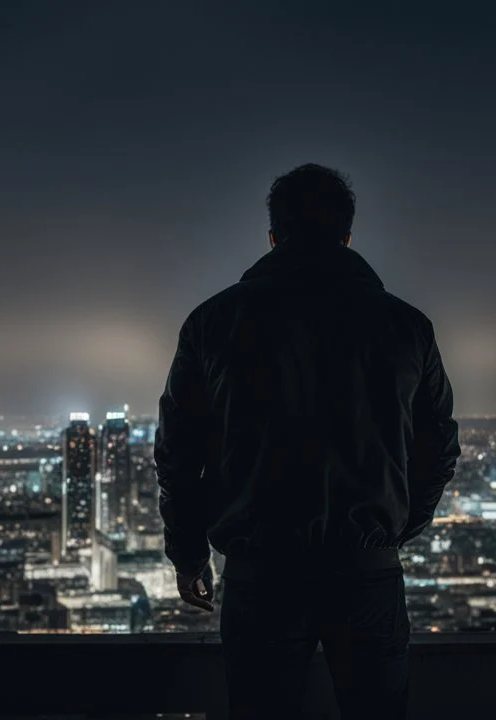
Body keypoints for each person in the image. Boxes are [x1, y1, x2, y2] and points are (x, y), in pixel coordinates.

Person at [154, 163, 460, 719]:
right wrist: (393, 528)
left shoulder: (212, 322)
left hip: (261, 574)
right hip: (367, 571)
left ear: (273, 236)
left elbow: (179, 452)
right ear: (347, 235)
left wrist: (189, 551)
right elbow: (439, 445)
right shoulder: (406, 326)